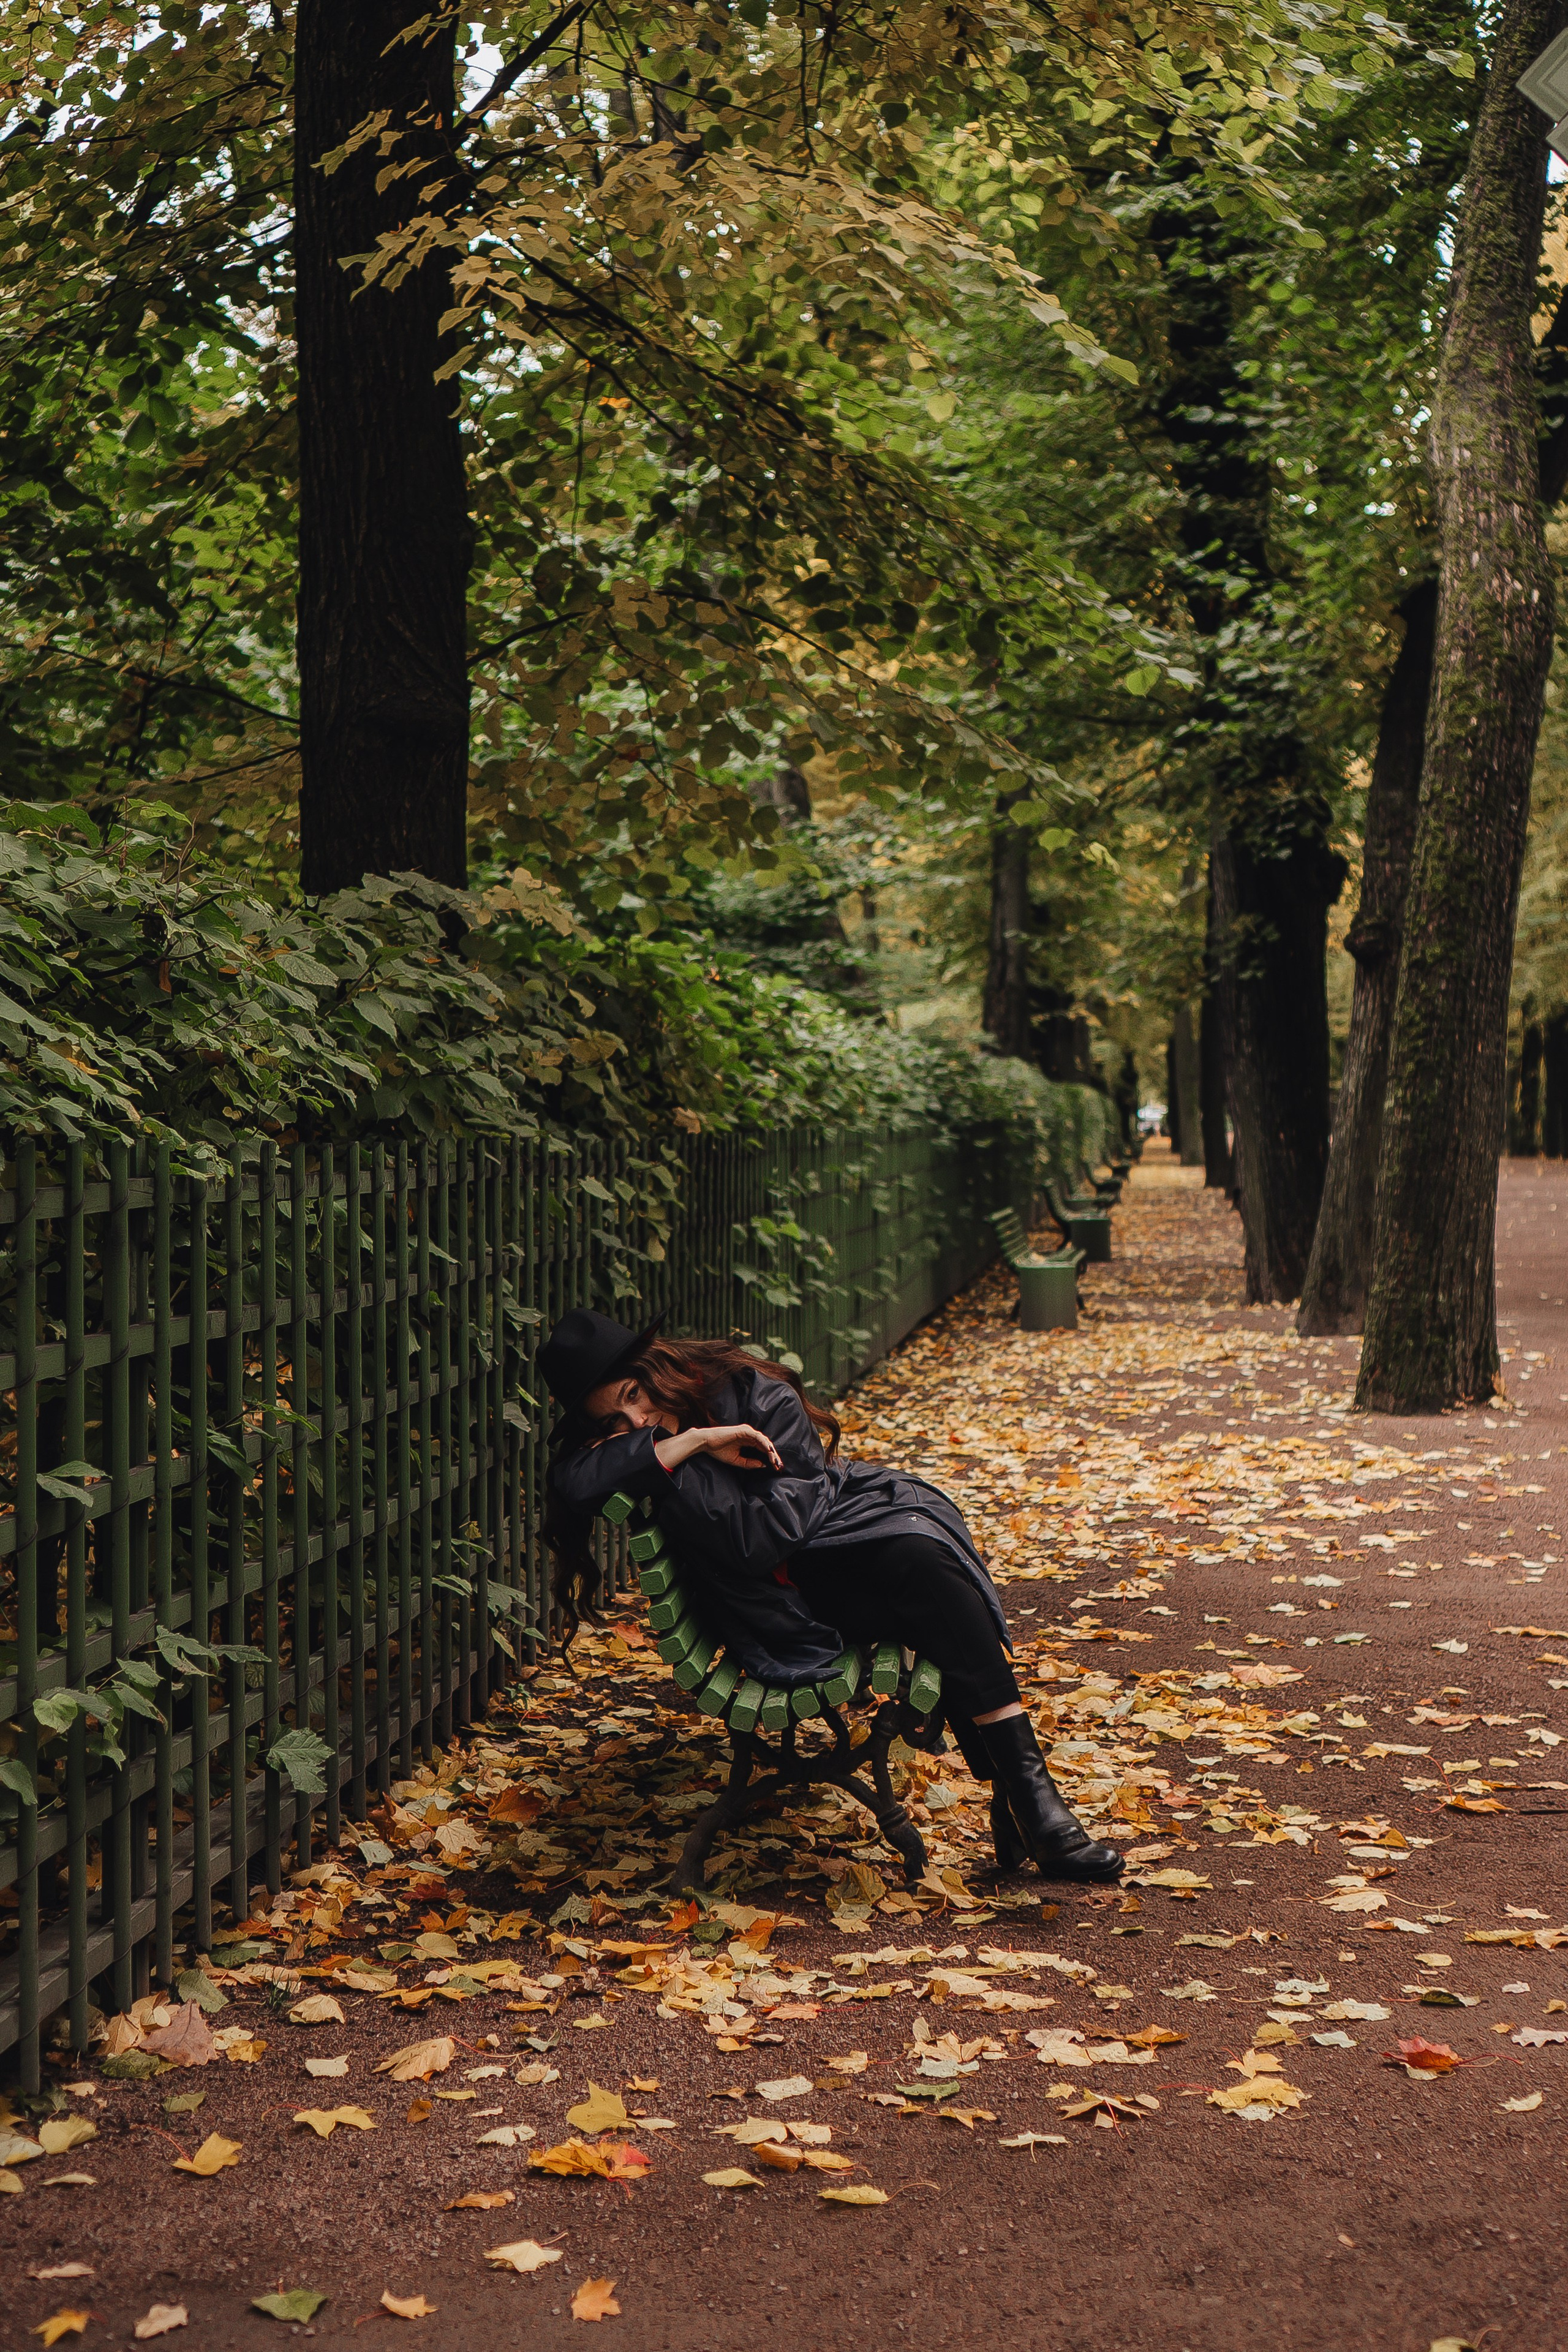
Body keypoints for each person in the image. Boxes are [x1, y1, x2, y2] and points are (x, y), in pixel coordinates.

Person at [540, 1307, 1121, 1886]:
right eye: (616, 1422)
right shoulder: (667, 1444)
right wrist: (695, 1441)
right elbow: (739, 1544)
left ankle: (1023, 1795)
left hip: (830, 1561)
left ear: (657, 1365)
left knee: (924, 1564)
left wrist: (669, 1454)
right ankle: (1028, 1803)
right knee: (932, 1590)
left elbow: (783, 1525)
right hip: (783, 1609)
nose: (638, 1420)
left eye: (637, 1395)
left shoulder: (756, 1393)